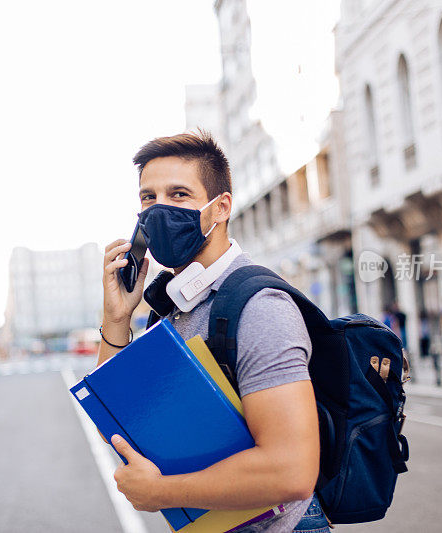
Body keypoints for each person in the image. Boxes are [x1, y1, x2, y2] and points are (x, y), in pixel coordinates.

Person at [97, 132, 325, 532]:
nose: (158, 210)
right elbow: (120, 427)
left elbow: (292, 472)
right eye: (148, 198)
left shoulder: (258, 307)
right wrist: (117, 319)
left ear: (220, 208)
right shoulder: (175, 305)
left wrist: (163, 492)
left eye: (179, 194)